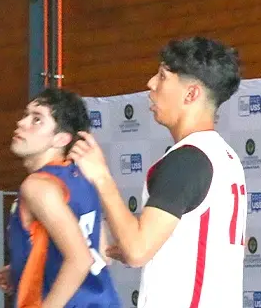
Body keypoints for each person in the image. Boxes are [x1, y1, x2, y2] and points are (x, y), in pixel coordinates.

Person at [67, 37, 245, 308]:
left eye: (162, 76)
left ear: (191, 94)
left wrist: (100, 176)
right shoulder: (224, 157)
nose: (151, 84)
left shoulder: (187, 159)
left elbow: (138, 250)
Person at [0, 90, 118, 308]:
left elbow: (80, 260)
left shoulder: (38, 186)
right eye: (25, 115)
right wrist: (22, 266)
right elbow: (100, 252)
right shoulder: (83, 178)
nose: (21, 123)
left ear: (61, 139)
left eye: (37, 119)